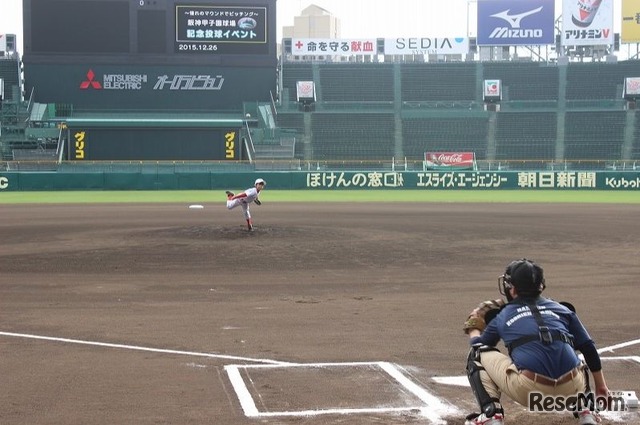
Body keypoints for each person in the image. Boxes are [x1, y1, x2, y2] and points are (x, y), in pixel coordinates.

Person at [462, 259, 609, 425]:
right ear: (541, 286)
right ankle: (586, 409)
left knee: (477, 354)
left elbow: (479, 344)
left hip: (529, 392)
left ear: (512, 289)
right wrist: (601, 387)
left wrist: (474, 325)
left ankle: (491, 414)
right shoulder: (562, 309)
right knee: (576, 356)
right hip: (570, 390)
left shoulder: (503, 315)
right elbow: (589, 348)